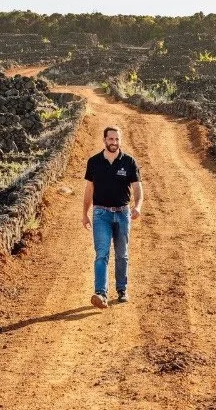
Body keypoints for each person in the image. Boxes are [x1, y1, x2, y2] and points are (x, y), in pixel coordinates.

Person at [83, 126, 143, 309]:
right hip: (101, 213)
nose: (114, 143)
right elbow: (89, 189)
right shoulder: (93, 162)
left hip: (123, 213)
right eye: (110, 139)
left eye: (117, 139)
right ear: (104, 140)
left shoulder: (129, 162)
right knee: (101, 253)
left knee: (122, 254)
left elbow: (137, 189)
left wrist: (138, 206)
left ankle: (122, 290)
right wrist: (84, 213)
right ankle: (100, 293)